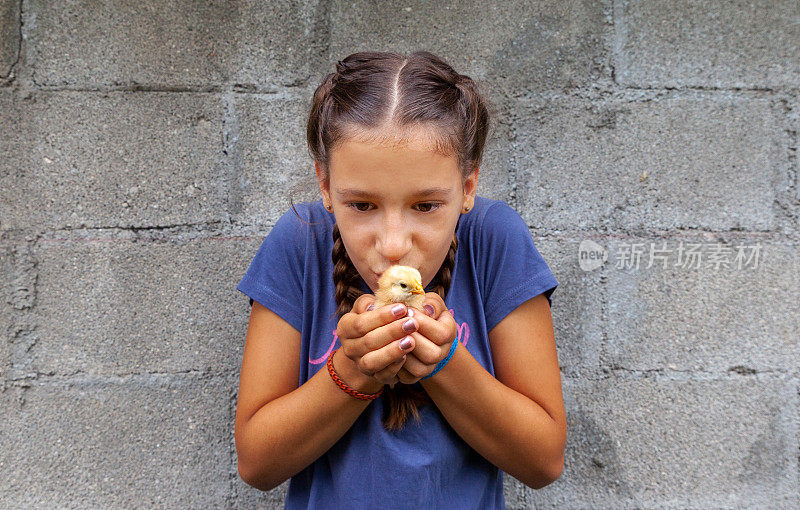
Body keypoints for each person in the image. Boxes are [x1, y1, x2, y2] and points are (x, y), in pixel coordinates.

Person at [234, 50, 566, 509]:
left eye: (426, 206)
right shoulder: (298, 243)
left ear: (468, 188)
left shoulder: (495, 239)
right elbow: (256, 463)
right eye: (362, 206)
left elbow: (543, 460)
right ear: (326, 187)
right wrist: (352, 371)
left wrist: (446, 363)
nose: (392, 245)